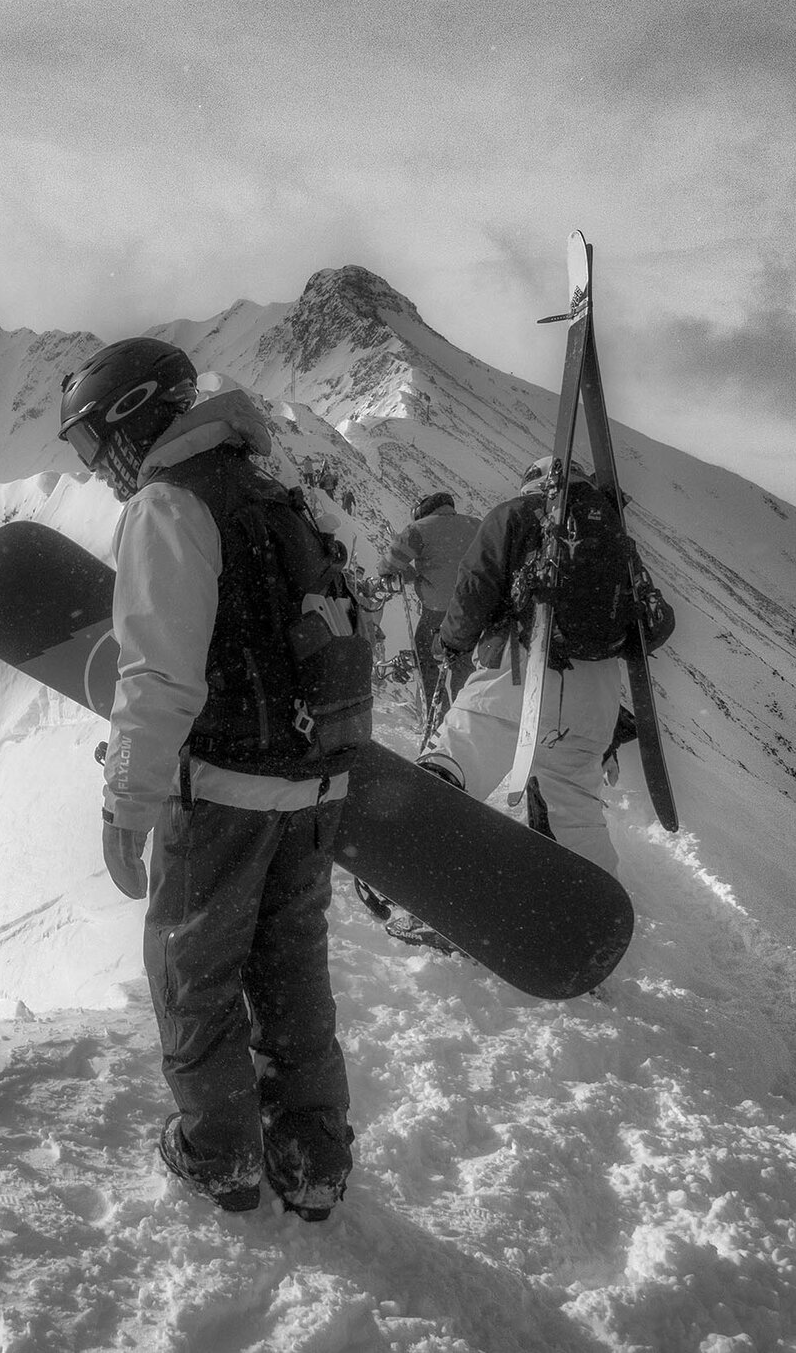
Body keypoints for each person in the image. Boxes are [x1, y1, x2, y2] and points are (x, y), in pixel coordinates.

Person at [60, 337, 359, 1221]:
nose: (94, 467)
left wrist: (126, 799)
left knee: (193, 977)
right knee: (292, 975)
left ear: (132, 415)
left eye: (88, 444)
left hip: (225, 790)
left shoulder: (169, 504)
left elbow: (158, 678)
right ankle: (312, 1162)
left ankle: (222, 1155)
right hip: (314, 790)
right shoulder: (272, 495)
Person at [423, 456, 656, 879]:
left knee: (458, 758)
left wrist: (449, 642)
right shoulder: (611, 533)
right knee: (574, 810)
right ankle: (588, 905)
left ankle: (417, 869)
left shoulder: (513, 515)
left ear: (532, 484)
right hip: (596, 696)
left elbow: (476, 586)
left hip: (519, 674)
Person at [382, 491, 481, 731]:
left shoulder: (418, 529)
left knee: (425, 656)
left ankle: (436, 716)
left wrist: (409, 575)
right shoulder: (476, 524)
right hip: (474, 607)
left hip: (438, 608)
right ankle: (462, 719)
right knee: (463, 662)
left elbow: (389, 565)